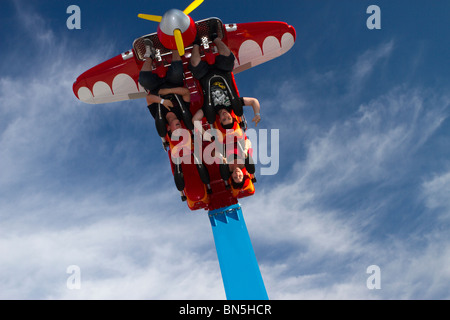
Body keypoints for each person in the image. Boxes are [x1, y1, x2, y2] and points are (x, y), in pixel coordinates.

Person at [188, 26, 261, 133]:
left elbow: (195, 120)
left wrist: (205, 134)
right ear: (232, 117)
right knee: (228, 57)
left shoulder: (210, 111)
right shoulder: (234, 103)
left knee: (194, 64)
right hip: (222, 71)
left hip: (205, 75)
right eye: (228, 118)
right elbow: (254, 101)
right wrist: (257, 114)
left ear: (220, 120)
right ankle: (215, 38)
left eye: (223, 119)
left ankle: (196, 43)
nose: (225, 116)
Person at [138, 39, 192, 136]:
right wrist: (169, 90)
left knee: (143, 80)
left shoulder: (158, 116)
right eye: (181, 129)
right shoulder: (182, 113)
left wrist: (162, 101)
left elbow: (149, 98)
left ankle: (150, 55)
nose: (179, 127)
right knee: (177, 71)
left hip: (156, 86)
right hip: (173, 83)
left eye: (176, 130)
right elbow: (186, 92)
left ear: (168, 128)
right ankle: (171, 43)